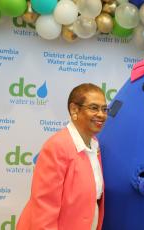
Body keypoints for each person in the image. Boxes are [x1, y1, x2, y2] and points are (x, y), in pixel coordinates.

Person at [17, 83, 108, 230]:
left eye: (104, 109)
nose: (101, 114)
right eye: (94, 108)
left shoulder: (94, 144)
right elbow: (44, 209)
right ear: (74, 110)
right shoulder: (57, 146)